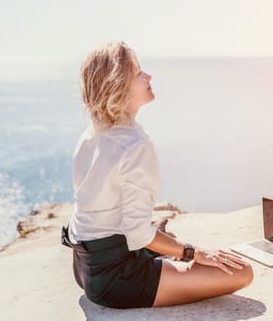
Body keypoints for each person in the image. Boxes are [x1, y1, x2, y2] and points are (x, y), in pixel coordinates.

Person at [61, 41, 253, 309]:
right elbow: (137, 234)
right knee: (241, 271)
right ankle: (158, 255)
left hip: (84, 267)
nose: (148, 76)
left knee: (163, 237)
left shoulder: (92, 134)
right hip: (115, 282)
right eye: (137, 72)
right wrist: (195, 253)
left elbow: (95, 209)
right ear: (118, 85)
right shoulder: (135, 144)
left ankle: (157, 252)